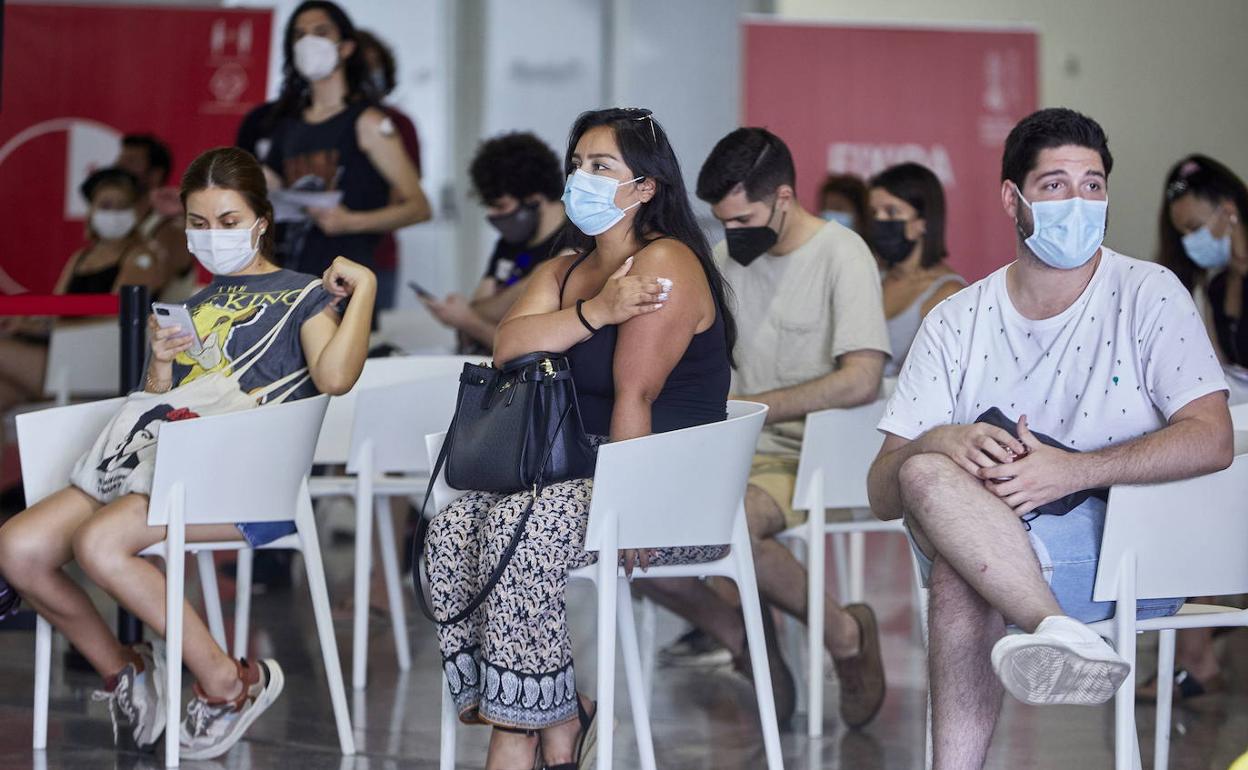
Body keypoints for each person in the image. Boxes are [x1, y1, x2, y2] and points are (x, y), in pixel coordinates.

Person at [866, 108, 1232, 770]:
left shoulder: (1148, 293)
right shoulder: (956, 320)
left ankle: (1046, 633)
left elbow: (1212, 439)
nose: (1079, 202)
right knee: (922, 474)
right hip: (998, 546)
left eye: (1093, 185)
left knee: (961, 570)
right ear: (1014, 199)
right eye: (1056, 185)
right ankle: (1055, 628)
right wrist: (941, 440)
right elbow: (882, 491)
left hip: (1130, 553)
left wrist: (1073, 471)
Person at [0, 147, 376, 760]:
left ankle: (229, 683)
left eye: (228, 221)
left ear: (261, 221)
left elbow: (335, 378)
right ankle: (125, 672)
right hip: (159, 467)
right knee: (18, 547)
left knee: (99, 543)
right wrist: (159, 363)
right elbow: (157, 408)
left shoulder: (303, 296)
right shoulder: (194, 305)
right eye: (198, 223)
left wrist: (366, 289)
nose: (212, 236)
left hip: (244, 479)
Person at [424, 107, 736, 770]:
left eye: (601, 166)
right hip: (571, 476)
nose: (580, 179)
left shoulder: (668, 262)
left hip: (662, 488)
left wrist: (632, 508)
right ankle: (558, 716)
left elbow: (635, 395)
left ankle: (517, 735)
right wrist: (596, 311)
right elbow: (508, 346)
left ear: (645, 186)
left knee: (518, 524)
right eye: (577, 166)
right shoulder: (565, 271)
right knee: (450, 531)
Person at [641, 127, 891, 730]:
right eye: (723, 221)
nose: (733, 233)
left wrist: (753, 406)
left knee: (730, 522)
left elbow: (862, 380)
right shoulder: (724, 258)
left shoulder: (841, 255)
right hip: (724, 447)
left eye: (744, 219)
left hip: (809, 454)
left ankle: (844, 635)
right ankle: (739, 632)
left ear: (783, 197)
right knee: (629, 526)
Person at [1136, 153, 1248, 703]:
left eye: (1195, 227)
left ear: (1229, 210)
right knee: (1185, 472)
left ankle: (1197, 652)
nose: (1191, 242)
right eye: (1183, 234)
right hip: (1240, 429)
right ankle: (1196, 650)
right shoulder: (1219, 284)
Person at [261, 1, 431, 277]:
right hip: (295, 276)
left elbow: (419, 207)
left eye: (321, 32)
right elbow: (275, 184)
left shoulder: (368, 122)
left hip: (349, 279)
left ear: (346, 47)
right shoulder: (288, 123)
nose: (309, 42)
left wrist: (350, 221)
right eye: (300, 35)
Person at [0, 167, 164, 441]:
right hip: (60, 350)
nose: (113, 213)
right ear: (92, 210)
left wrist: (53, 328)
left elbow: (117, 316)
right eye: (106, 206)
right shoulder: (81, 257)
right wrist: (27, 325)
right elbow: (56, 311)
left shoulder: (141, 256)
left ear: (135, 212)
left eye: (122, 206)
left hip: (95, 361)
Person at [422, 131, 567, 353]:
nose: (491, 215)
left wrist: (468, 320)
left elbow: (528, 348)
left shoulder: (572, 248)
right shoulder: (509, 243)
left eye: (500, 206)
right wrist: (474, 316)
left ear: (534, 199)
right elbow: (479, 306)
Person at [869, 162, 966, 376]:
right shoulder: (874, 279)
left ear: (923, 222)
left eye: (891, 212)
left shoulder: (948, 293)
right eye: (874, 212)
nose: (879, 221)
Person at [355, 28, 424, 312]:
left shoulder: (398, 124)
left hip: (378, 256)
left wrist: (349, 220)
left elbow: (407, 198)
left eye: (376, 66)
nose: (372, 74)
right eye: (364, 67)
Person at [116, 134, 198, 300]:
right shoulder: (118, 227)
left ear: (155, 174)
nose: (118, 168)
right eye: (119, 161)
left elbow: (137, 296)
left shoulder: (172, 230)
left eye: (130, 162)